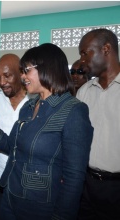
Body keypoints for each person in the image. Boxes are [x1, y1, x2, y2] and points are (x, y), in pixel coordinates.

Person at [0, 43, 93, 219]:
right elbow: (12, 146)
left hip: (41, 205)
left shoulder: (72, 110)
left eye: (26, 70)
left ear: (47, 68)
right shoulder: (29, 106)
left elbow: (74, 176)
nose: (23, 76)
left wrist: (62, 216)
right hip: (10, 196)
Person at [77, 28, 120, 220]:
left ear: (106, 49)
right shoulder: (84, 92)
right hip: (86, 185)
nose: (83, 60)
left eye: (86, 53)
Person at [0, 54, 30, 220]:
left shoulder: (36, 101)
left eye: (7, 76)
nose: (2, 82)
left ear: (21, 73)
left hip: (25, 180)